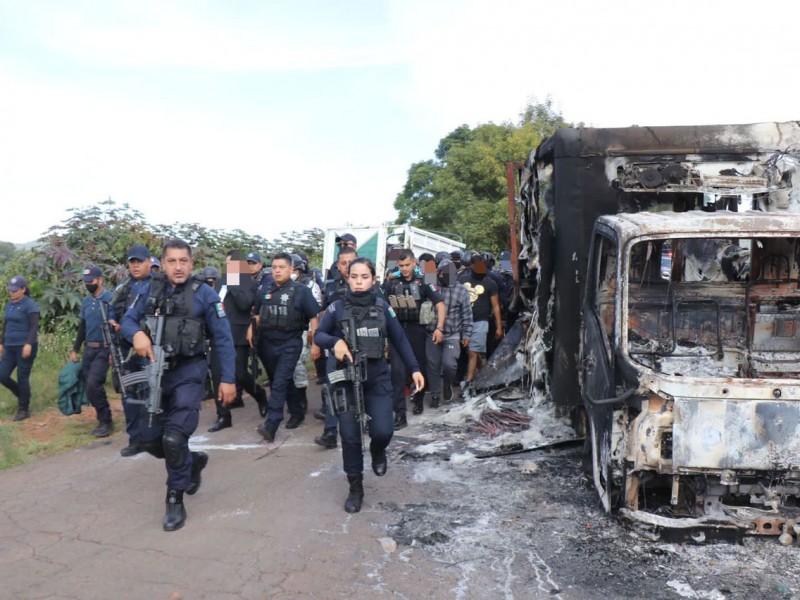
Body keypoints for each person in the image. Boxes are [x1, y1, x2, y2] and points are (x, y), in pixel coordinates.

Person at [122, 238, 236, 532]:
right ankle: (192, 461)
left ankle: (175, 497)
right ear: (163, 264)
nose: (178, 266)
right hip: (156, 371)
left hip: (189, 371)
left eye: (183, 261)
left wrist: (228, 379)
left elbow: (224, 340)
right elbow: (127, 320)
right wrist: (136, 334)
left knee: (173, 437)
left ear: (191, 263)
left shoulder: (205, 294)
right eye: (172, 261)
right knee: (147, 439)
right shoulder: (150, 288)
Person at [315, 257, 424, 513]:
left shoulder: (383, 307)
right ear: (347, 278)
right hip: (346, 378)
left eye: (365, 277)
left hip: (376, 377)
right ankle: (355, 487)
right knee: (350, 436)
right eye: (354, 277)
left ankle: (378, 451)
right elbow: (319, 335)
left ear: (373, 280)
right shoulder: (336, 307)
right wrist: (335, 343)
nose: (359, 282)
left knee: (383, 431)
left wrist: (415, 369)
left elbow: (400, 339)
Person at [251, 252, 320, 442]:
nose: (277, 271)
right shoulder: (265, 289)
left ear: (291, 269)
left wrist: (315, 344)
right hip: (267, 343)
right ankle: (297, 412)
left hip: (290, 342)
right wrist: (252, 331)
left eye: (281, 267)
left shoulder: (301, 291)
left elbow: (314, 317)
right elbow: (256, 314)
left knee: (280, 382)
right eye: (274, 267)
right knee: (279, 381)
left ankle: (272, 423)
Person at [382, 249, 445, 429]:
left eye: (407, 265)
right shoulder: (391, 283)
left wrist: (439, 328)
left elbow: (440, 305)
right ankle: (400, 414)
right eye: (400, 266)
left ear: (414, 262)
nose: (404, 269)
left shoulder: (425, 280)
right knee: (397, 372)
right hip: (397, 330)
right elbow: (380, 305)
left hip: (417, 330)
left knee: (418, 367)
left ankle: (418, 399)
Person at [207, 252, 267, 432]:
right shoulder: (218, 282)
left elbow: (245, 304)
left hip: (237, 334)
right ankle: (223, 415)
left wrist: (233, 284)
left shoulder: (250, 283)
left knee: (239, 374)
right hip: (218, 334)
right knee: (217, 374)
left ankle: (260, 395)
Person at [111, 245, 153, 456]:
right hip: (125, 349)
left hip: (149, 348)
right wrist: (112, 320)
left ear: (149, 262)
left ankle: (152, 436)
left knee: (151, 392)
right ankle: (135, 439)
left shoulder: (157, 285)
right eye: (132, 262)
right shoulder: (123, 287)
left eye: (139, 261)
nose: (135, 266)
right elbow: (112, 310)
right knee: (129, 394)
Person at [69, 266, 116, 438]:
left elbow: (116, 329)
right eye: (86, 282)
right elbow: (82, 327)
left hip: (104, 349)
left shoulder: (110, 299)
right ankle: (102, 418)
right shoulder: (87, 302)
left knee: (94, 384)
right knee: (89, 386)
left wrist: (113, 351)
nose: (88, 284)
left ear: (100, 280)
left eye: (91, 281)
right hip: (89, 349)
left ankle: (106, 421)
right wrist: (75, 349)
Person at [425, 259, 472, 406]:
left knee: (449, 364)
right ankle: (434, 395)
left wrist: (467, 334)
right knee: (433, 365)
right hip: (431, 332)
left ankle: (447, 384)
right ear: (438, 274)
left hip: (452, 334)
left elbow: (467, 314)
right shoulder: (430, 287)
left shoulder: (462, 290)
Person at [458, 253, 503, 384]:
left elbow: (495, 306)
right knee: (471, 352)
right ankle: (483, 372)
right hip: (464, 321)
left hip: (481, 321)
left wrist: (499, 326)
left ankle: (469, 382)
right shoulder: (463, 280)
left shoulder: (491, 283)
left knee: (472, 352)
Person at [0, 276, 40, 421]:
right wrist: (1, 343)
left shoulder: (30, 305)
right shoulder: (9, 305)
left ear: (23, 289)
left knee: (22, 377)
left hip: (24, 346)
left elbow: (34, 327)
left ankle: (24, 409)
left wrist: (29, 344)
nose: (12, 293)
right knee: (2, 375)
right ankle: (23, 395)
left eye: (15, 291)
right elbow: (6, 326)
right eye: (10, 290)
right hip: (10, 346)